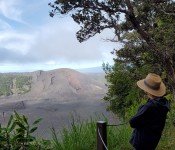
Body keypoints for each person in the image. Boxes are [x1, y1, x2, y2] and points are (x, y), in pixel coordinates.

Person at [129, 73, 170, 150]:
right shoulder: (162, 103)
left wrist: (133, 116)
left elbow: (133, 122)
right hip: (152, 141)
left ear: (147, 90)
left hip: (142, 143)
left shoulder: (149, 107)